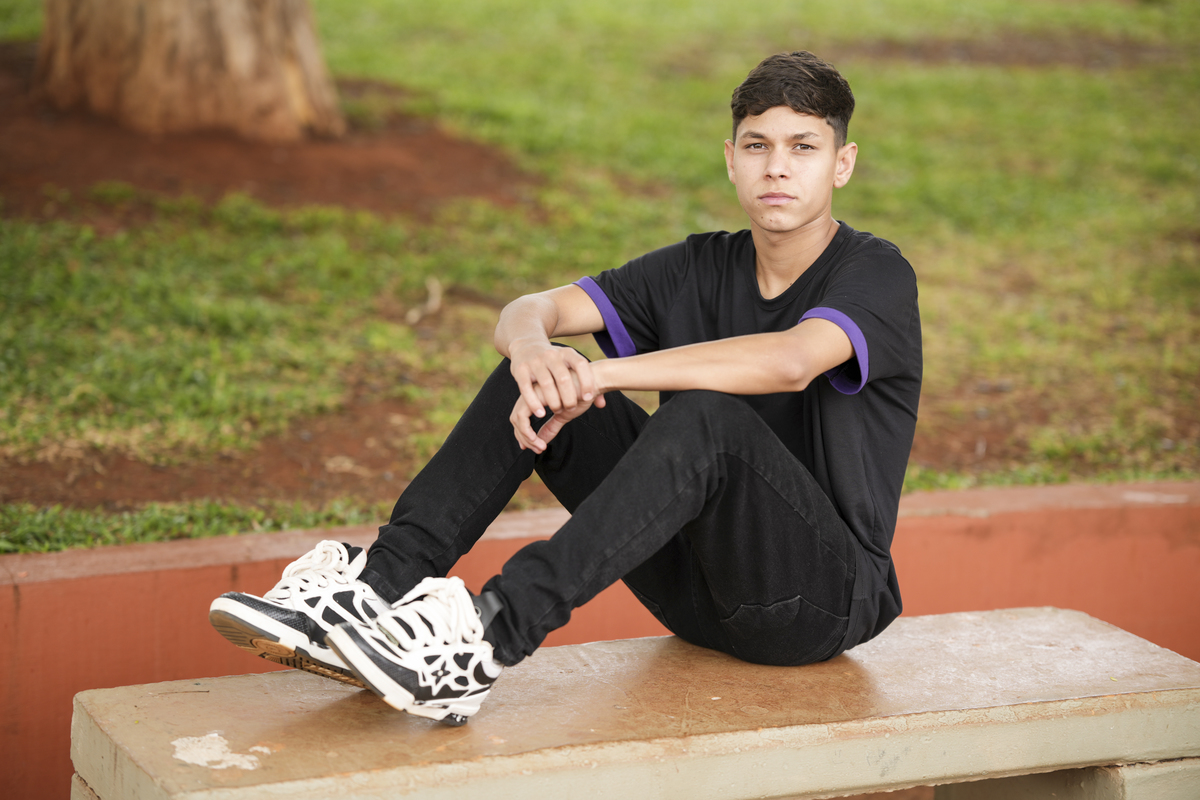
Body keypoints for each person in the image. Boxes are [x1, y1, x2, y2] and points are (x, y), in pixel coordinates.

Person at [209, 50, 921, 726]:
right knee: (538, 374)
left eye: (804, 147)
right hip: (695, 595)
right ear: (731, 159)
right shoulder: (698, 265)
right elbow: (530, 308)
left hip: (818, 602)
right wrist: (532, 350)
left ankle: (487, 638)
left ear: (842, 163)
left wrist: (600, 373)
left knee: (707, 420)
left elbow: (790, 360)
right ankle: (372, 591)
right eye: (758, 145)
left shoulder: (876, 273)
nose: (778, 166)